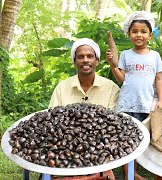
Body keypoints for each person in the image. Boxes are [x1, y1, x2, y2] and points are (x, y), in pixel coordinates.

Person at [49, 38, 120, 179]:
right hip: (66, 146)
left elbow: (113, 125)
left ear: (97, 61)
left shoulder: (111, 88)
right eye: (80, 57)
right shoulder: (62, 87)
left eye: (90, 56)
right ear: (75, 62)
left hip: (99, 147)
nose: (85, 60)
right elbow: (53, 120)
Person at [106, 11, 162, 180]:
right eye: (135, 31)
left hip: (146, 104)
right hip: (127, 104)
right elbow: (122, 79)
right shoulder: (125, 54)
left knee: (142, 140)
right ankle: (129, 173)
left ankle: (136, 170)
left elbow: (159, 79)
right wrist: (112, 66)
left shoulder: (154, 56)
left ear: (150, 35)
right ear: (129, 34)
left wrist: (161, 100)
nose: (139, 34)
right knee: (128, 140)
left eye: (143, 31)